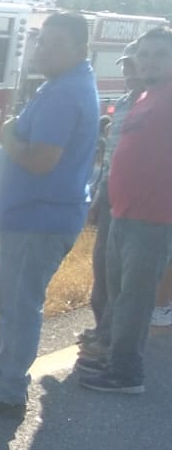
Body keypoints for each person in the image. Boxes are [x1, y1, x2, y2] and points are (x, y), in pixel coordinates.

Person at [0, 12, 99, 417]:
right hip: (35, 217)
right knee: (13, 300)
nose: (42, 50)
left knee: (19, 303)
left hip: (39, 218)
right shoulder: (63, 85)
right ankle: (5, 374)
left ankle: (7, 391)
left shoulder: (65, 92)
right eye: (41, 41)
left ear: (79, 49)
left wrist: (7, 137)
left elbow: (40, 161)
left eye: (55, 44)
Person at [76, 26, 172, 394]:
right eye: (144, 54)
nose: (149, 61)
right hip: (123, 212)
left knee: (135, 298)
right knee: (117, 293)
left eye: (160, 55)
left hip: (153, 216)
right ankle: (114, 356)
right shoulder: (146, 96)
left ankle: (126, 374)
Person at [78, 44, 144, 351]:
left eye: (134, 67)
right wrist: (98, 195)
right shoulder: (121, 102)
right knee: (102, 262)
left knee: (124, 273)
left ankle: (112, 338)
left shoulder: (152, 106)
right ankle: (101, 326)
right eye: (125, 67)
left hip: (136, 200)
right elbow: (111, 158)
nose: (128, 74)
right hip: (110, 194)